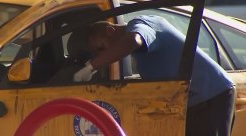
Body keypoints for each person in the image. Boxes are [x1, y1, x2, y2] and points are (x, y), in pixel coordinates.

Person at [73, 15, 236, 136]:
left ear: (110, 30)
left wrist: (91, 68)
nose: (105, 54)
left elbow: (134, 41)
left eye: (102, 48)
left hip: (210, 95)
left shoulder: (142, 24)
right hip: (192, 100)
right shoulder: (136, 47)